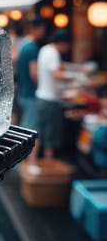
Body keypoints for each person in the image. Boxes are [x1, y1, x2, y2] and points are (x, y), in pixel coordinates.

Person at [36, 29, 72, 160]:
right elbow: (56, 74)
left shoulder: (45, 49)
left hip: (42, 97)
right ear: (63, 43)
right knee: (50, 137)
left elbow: (59, 67)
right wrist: (75, 78)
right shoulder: (53, 53)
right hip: (50, 99)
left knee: (42, 133)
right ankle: (49, 165)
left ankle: (34, 164)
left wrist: (74, 69)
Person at [17, 17, 46, 161]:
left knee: (25, 127)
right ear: (36, 29)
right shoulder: (32, 48)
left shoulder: (24, 46)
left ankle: (23, 160)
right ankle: (30, 162)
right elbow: (34, 74)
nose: (43, 32)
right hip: (31, 94)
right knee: (32, 130)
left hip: (23, 92)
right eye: (42, 29)